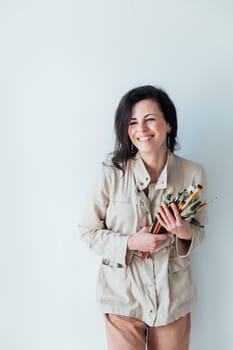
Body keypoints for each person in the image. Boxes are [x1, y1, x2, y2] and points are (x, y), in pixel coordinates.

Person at [79, 85, 207, 350]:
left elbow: (199, 230)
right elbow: (87, 231)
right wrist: (130, 244)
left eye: (150, 119)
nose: (142, 129)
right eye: (133, 122)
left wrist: (183, 231)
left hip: (173, 300)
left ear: (168, 124)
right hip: (121, 299)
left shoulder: (193, 173)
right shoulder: (109, 174)